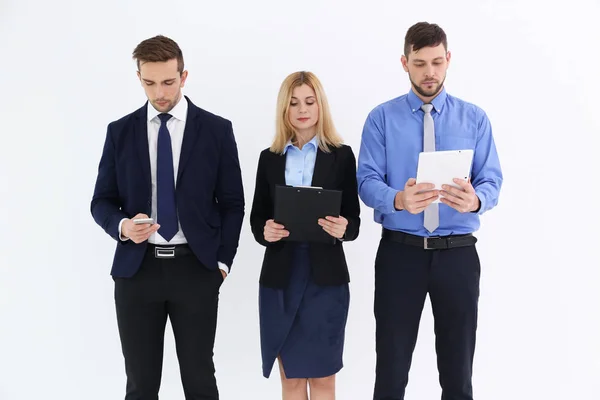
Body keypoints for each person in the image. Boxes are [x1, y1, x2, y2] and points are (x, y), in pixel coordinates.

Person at [90, 35, 244, 400]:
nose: (159, 92)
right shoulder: (120, 132)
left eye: (168, 82)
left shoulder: (216, 130)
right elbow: (101, 201)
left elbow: (233, 203)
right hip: (136, 272)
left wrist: (221, 263)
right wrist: (123, 227)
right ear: (139, 77)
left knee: (200, 381)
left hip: (196, 269)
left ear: (184, 75)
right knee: (141, 385)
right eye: (149, 82)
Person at [356, 22, 503, 400]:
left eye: (437, 62)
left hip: (457, 255)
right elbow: (367, 180)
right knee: (390, 371)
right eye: (420, 63)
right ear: (405, 63)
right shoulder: (381, 119)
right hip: (399, 254)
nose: (429, 72)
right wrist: (398, 199)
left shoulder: (474, 119)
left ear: (448, 59)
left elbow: (492, 181)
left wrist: (476, 200)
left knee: (457, 375)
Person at [250, 71, 360, 399]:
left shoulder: (341, 155)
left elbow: (353, 220)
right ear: (284, 108)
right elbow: (258, 218)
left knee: (324, 379)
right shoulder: (269, 159)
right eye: (294, 102)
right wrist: (265, 230)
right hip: (281, 278)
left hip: (325, 280)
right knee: (292, 379)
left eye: (310, 102)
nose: (302, 109)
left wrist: (344, 227)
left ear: (320, 106)